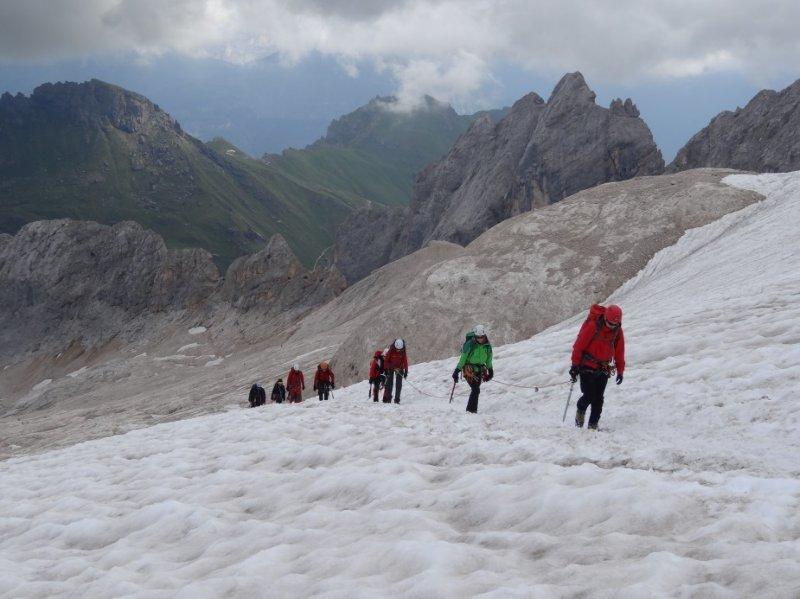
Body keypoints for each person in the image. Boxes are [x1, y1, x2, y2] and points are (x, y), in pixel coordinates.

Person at [569, 304, 625, 430]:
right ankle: (581, 409)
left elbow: (619, 351)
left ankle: (593, 425)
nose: (611, 326)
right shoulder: (593, 326)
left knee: (598, 399)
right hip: (586, 366)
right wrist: (575, 365)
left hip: (603, 367)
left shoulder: (617, 331)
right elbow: (579, 346)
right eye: (610, 323)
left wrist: (620, 371)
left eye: (614, 324)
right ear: (605, 318)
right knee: (589, 395)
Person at [452, 325, 493, 413]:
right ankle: (471, 410)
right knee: (476, 389)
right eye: (478, 337)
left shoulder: (487, 346)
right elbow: (463, 359)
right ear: (475, 336)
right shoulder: (469, 345)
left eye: (481, 337)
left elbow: (489, 359)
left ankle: (472, 410)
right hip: (469, 370)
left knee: (476, 389)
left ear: (484, 335)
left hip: (480, 370)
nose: (480, 339)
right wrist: (457, 371)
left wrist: (490, 371)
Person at [383, 338, 409, 404]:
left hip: (399, 367)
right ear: (395, 346)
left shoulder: (403, 351)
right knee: (389, 383)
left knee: (399, 384)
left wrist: (406, 370)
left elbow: (405, 361)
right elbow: (386, 360)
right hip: (390, 367)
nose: (398, 350)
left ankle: (397, 400)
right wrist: (386, 369)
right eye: (397, 349)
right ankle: (388, 399)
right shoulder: (391, 350)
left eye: (399, 349)